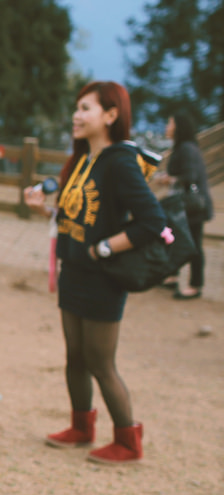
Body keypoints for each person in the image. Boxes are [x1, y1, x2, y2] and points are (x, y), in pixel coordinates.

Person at [24, 81, 164, 465]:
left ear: (111, 115)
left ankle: (128, 441)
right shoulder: (84, 158)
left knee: (101, 363)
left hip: (103, 278)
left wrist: (104, 248)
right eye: (77, 107)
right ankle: (81, 428)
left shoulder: (120, 162)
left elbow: (153, 222)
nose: (76, 115)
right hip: (73, 272)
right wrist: (43, 210)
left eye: (86, 108)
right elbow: (78, 216)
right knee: (75, 357)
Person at [156, 111, 213, 300]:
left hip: (193, 207)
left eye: (170, 123)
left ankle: (195, 285)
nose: (167, 127)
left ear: (179, 127)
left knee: (193, 244)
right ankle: (172, 276)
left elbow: (190, 177)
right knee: (176, 239)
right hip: (186, 206)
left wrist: (168, 179)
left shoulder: (187, 149)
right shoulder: (183, 148)